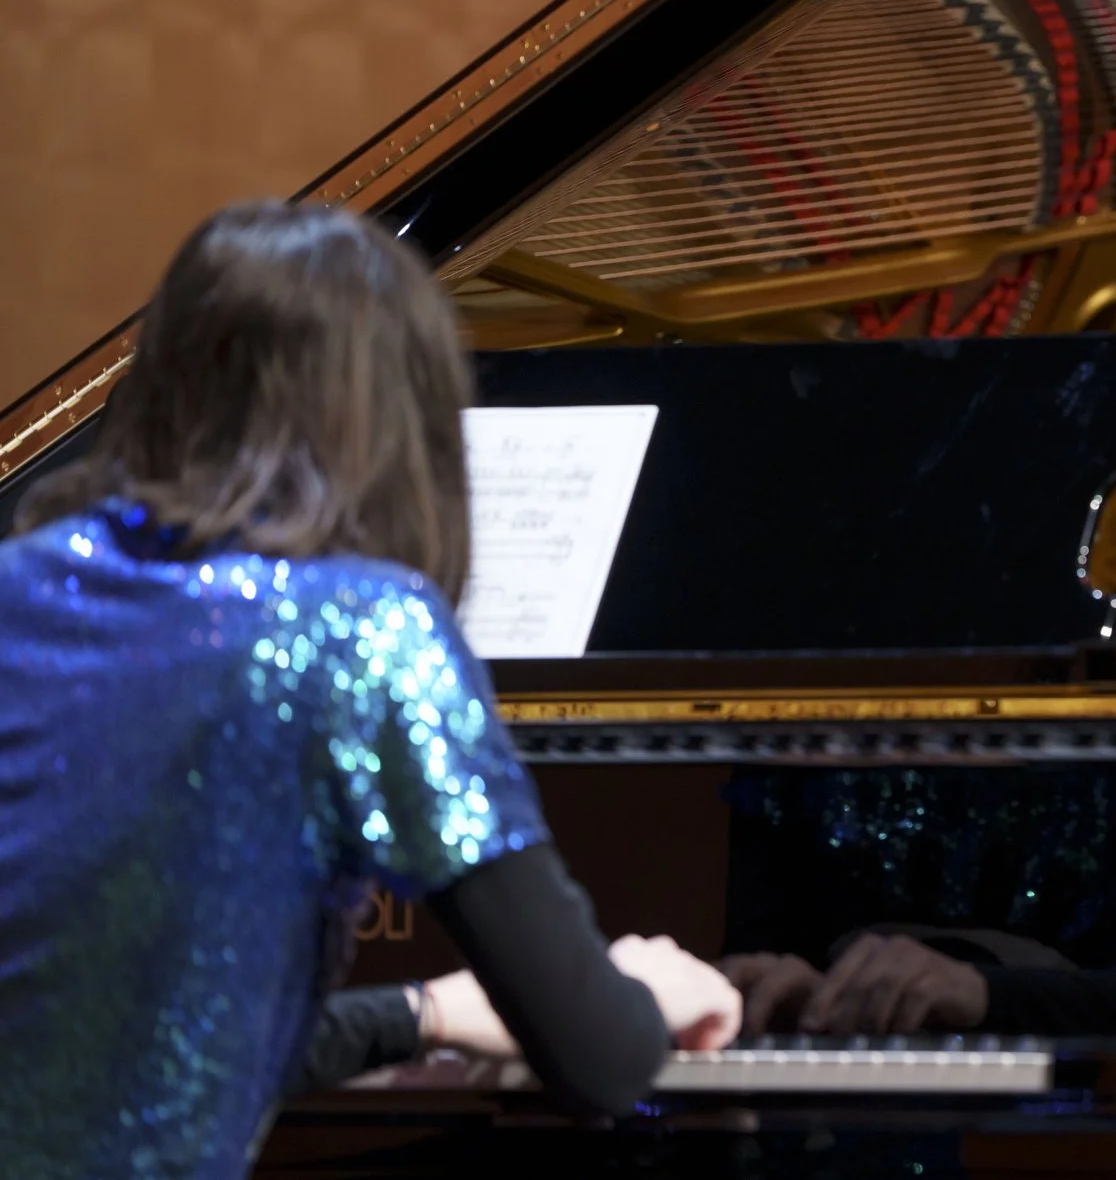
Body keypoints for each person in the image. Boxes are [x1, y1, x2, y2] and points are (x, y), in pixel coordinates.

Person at [0, 200, 741, 1179]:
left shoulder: (21, 582)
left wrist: (424, 1009)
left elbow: (137, 1030)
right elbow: (599, 1060)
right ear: (409, 421)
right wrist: (636, 986)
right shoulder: (362, 629)